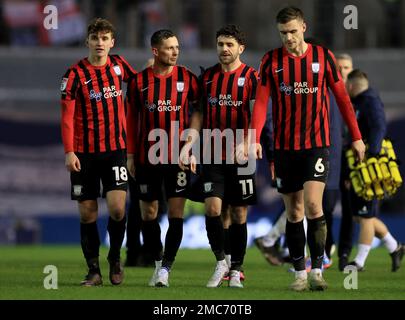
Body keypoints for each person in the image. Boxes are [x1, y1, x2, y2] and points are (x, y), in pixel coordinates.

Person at [250, 7, 365, 291]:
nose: (288, 38)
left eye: (292, 31)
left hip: (317, 144)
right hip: (285, 147)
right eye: (283, 33)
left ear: (304, 26)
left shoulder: (323, 57)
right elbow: (262, 103)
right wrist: (252, 138)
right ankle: (299, 274)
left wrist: (358, 137)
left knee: (314, 205)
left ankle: (317, 272)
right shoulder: (270, 61)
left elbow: (342, 99)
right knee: (293, 212)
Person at [180, 24, 258, 288]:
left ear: (240, 48)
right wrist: (188, 145)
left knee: (238, 213)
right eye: (221, 44)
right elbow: (198, 115)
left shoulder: (251, 78)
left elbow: (258, 116)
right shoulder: (208, 78)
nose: (224, 49)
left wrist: (248, 142)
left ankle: (236, 269)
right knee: (213, 209)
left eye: (230, 45)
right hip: (212, 153)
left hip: (241, 156)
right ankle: (221, 261)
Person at [60, 18, 136, 286]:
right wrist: (70, 152)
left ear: (112, 42)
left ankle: (115, 257)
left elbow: (139, 88)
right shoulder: (74, 74)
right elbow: (67, 118)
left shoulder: (120, 66)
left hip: (115, 150)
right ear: (88, 42)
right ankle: (93, 270)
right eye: (95, 38)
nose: (100, 43)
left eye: (105, 38)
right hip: (85, 153)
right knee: (87, 213)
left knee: (117, 209)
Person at [126, 29, 200, 287]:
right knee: (149, 213)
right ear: (155, 51)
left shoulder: (188, 79)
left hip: (177, 157)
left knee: (176, 214)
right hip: (147, 158)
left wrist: (191, 147)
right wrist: (131, 155)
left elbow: (200, 112)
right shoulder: (138, 82)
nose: (175, 51)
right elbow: (132, 119)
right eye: (169, 48)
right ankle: (157, 264)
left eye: (177, 47)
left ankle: (166, 267)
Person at [345, 69, 404, 271]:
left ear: (351, 86)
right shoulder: (361, 102)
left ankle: (359, 261)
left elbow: (379, 126)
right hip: (358, 164)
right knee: (362, 215)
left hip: (369, 166)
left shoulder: (370, 101)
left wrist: (373, 155)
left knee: (366, 216)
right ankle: (394, 246)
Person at [335, 53, 356, 271]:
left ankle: (343, 254)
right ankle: (325, 250)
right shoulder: (328, 93)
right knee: (323, 206)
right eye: (339, 67)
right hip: (329, 157)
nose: (342, 71)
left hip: (350, 162)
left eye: (346, 67)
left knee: (351, 211)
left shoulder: (358, 96)